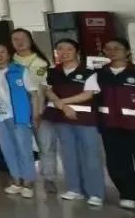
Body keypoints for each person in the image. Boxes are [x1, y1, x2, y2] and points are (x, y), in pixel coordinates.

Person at [84, 38, 135, 211]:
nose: (112, 51)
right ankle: (128, 194)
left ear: (127, 51)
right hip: (111, 126)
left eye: (117, 48)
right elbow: (87, 96)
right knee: (117, 163)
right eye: (108, 48)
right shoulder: (98, 75)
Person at [41, 39, 103, 206]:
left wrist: (63, 102)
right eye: (60, 49)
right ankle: (74, 189)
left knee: (90, 155)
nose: (64, 52)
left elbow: (87, 94)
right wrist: (61, 106)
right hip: (61, 118)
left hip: (85, 119)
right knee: (68, 154)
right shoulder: (52, 71)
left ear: (77, 51)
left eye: (69, 49)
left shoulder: (89, 72)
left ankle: (95, 193)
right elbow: (48, 91)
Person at [0, 41, 38, 199]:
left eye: (2, 51)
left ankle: (28, 182)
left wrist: (35, 115)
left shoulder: (20, 71)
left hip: (19, 116)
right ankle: (16, 180)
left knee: (24, 149)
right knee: (8, 149)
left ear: (9, 54)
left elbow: (34, 94)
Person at [11, 29, 55, 193]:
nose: (19, 42)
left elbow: (47, 88)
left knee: (46, 145)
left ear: (30, 39)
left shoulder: (42, 62)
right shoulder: (9, 61)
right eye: (15, 39)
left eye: (23, 38)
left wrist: (40, 111)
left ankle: (49, 178)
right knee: (21, 146)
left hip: (41, 110)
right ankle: (24, 176)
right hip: (16, 112)